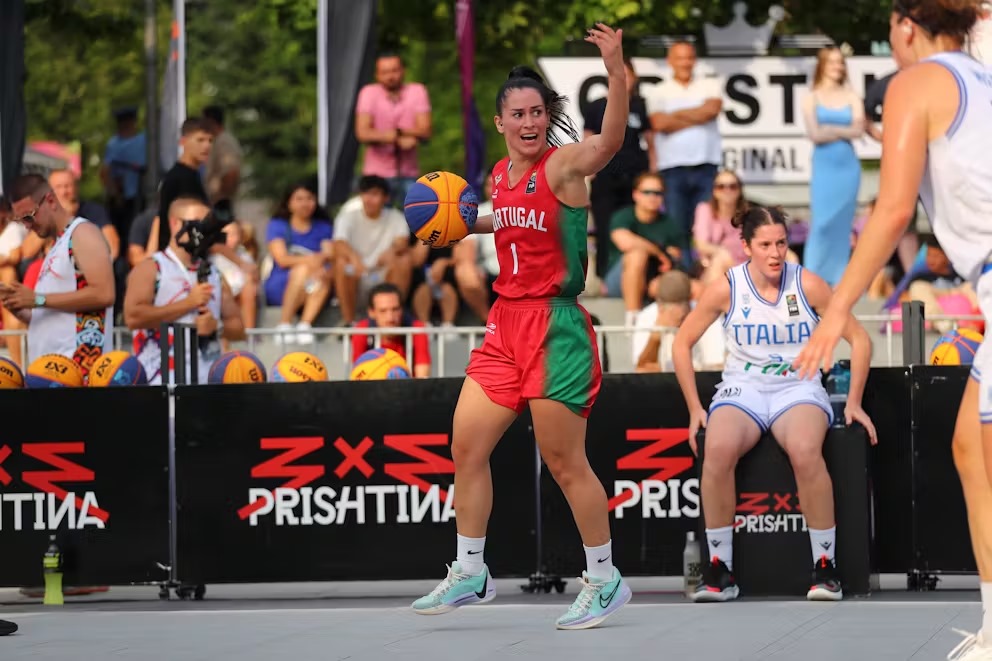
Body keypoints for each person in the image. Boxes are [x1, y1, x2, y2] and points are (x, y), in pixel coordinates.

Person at [411, 23, 632, 630]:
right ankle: (471, 571)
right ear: (502, 121)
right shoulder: (499, 178)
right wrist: (459, 224)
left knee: (565, 462)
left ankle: (605, 578)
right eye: (519, 114)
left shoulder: (563, 166)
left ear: (547, 117)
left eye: (538, 112)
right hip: (505, 324)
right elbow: (509, 218)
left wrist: (616, 72)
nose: (530, 122)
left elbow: (611, 141)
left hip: (555, 327)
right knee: (465, 446)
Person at [793, 2, 992, 656]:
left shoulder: (918, 81)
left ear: (906, 25)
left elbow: (893, 210)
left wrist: (836, 309)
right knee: (971, 450)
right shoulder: (980, 73)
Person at [672, 205, 877, 603]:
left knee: (804, 449)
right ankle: (719, 569)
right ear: (746, 246)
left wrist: (854, 401)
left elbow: (860, 339)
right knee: (717, 449)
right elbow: (681, 343)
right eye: (765, 245)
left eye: (781, 243)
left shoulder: (808, 284)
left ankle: (825, 566)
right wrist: (695, 408)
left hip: (797, 386)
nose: (775, 253)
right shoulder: (727, 287)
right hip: (743, 386)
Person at [0, 175, 115, 381]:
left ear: (50, 201)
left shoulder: (82, 232)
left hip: (79, 373)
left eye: (29, 217)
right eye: (21, 220)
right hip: (51, 374)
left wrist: (37, 299)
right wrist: (18, 306)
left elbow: (104, 294)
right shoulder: (56, 247)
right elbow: (52, 314)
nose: (27, 226)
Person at [125, 197, 245, 384]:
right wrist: (188, 303)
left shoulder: (214, 273)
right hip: (160, 383)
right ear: (175, 223)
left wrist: (217, 326)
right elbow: (133, 318)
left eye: (207, 223)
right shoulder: (151, 268)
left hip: (206, 384)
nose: (203, 230)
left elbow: (239, 328)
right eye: (197, 222)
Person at [801, 47, 865, 288]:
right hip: (824, 166)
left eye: (840, 62)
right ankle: (812, 278)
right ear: (822, 65)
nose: (837, 67)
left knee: (842, 224)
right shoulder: (812, 97)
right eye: (832, 62)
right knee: (821, 223)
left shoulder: (851, 96)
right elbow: (815, 134)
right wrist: (843, 131)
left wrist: (831, 129)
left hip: (847, 167)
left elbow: (858, 130)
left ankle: (838, 280)